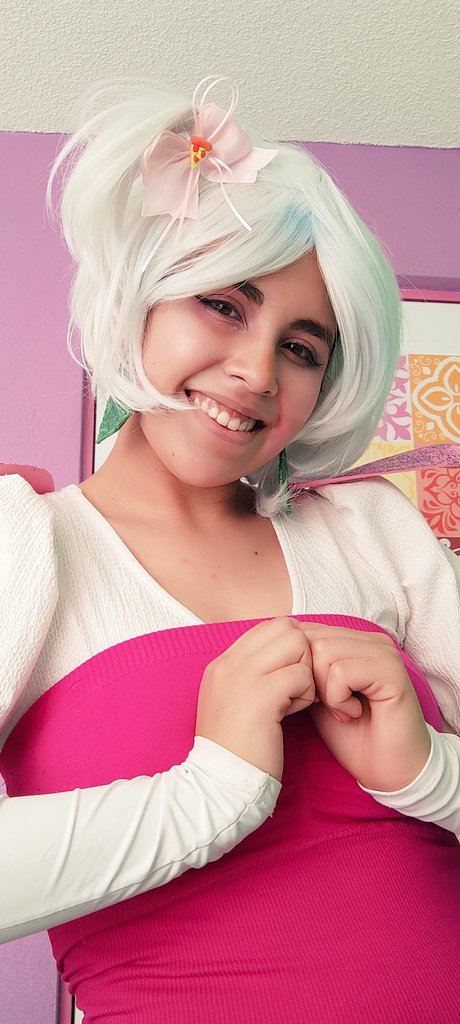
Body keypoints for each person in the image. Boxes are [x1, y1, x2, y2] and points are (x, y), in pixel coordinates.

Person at [0, 74, 459, 1024]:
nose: (255, 372)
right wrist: (209, 794)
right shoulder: (26, 545)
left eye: (303, 348)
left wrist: (430, 774)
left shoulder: (372, 533)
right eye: (223, 305)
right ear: (141, 300)